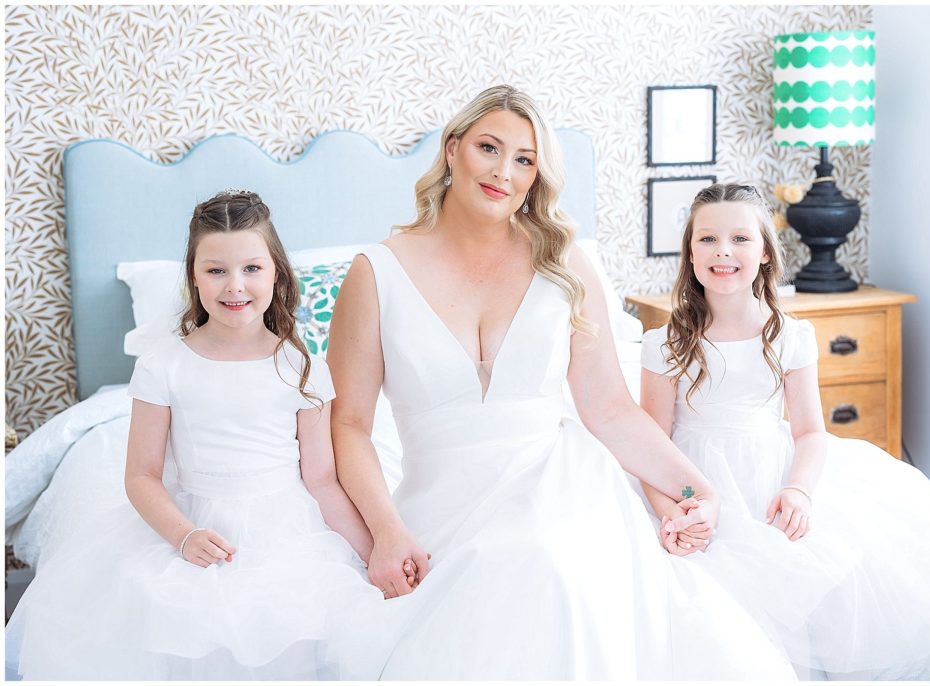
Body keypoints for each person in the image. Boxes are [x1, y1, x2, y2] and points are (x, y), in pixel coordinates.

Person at [326, 85, 798, 679]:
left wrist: (696, 491)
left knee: (546, 563)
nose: (504, 172)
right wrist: (387, 534)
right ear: (452, 150)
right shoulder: (376, 272)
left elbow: (609, 408)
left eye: (525, 160)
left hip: (558, 483)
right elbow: (349, 426)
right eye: (488, 148)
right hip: (438, 500)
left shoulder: (566, 264)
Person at [5, 191, 387, 680]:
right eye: (215, 270)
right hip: (193, 523)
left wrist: (372, 553)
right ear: (193, 276)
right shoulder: (164, 364)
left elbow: (323, 481)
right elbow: (141, 475)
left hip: (287, 530)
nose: (235, 286)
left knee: (292, 632)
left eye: (252, 268)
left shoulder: (301, 367)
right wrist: (182, 536)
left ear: (276, 273)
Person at [639, 182, 930, 679]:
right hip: (690, 480)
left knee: (796, 578)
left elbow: (811, 432)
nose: (723, 250)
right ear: (689, 252)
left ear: (766, 253)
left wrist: (799, 491)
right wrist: (672, 515)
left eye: (740, 238)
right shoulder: (665, 343)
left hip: (770, 475)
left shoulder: (789, 336)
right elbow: (650, 445)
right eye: (707, 239)